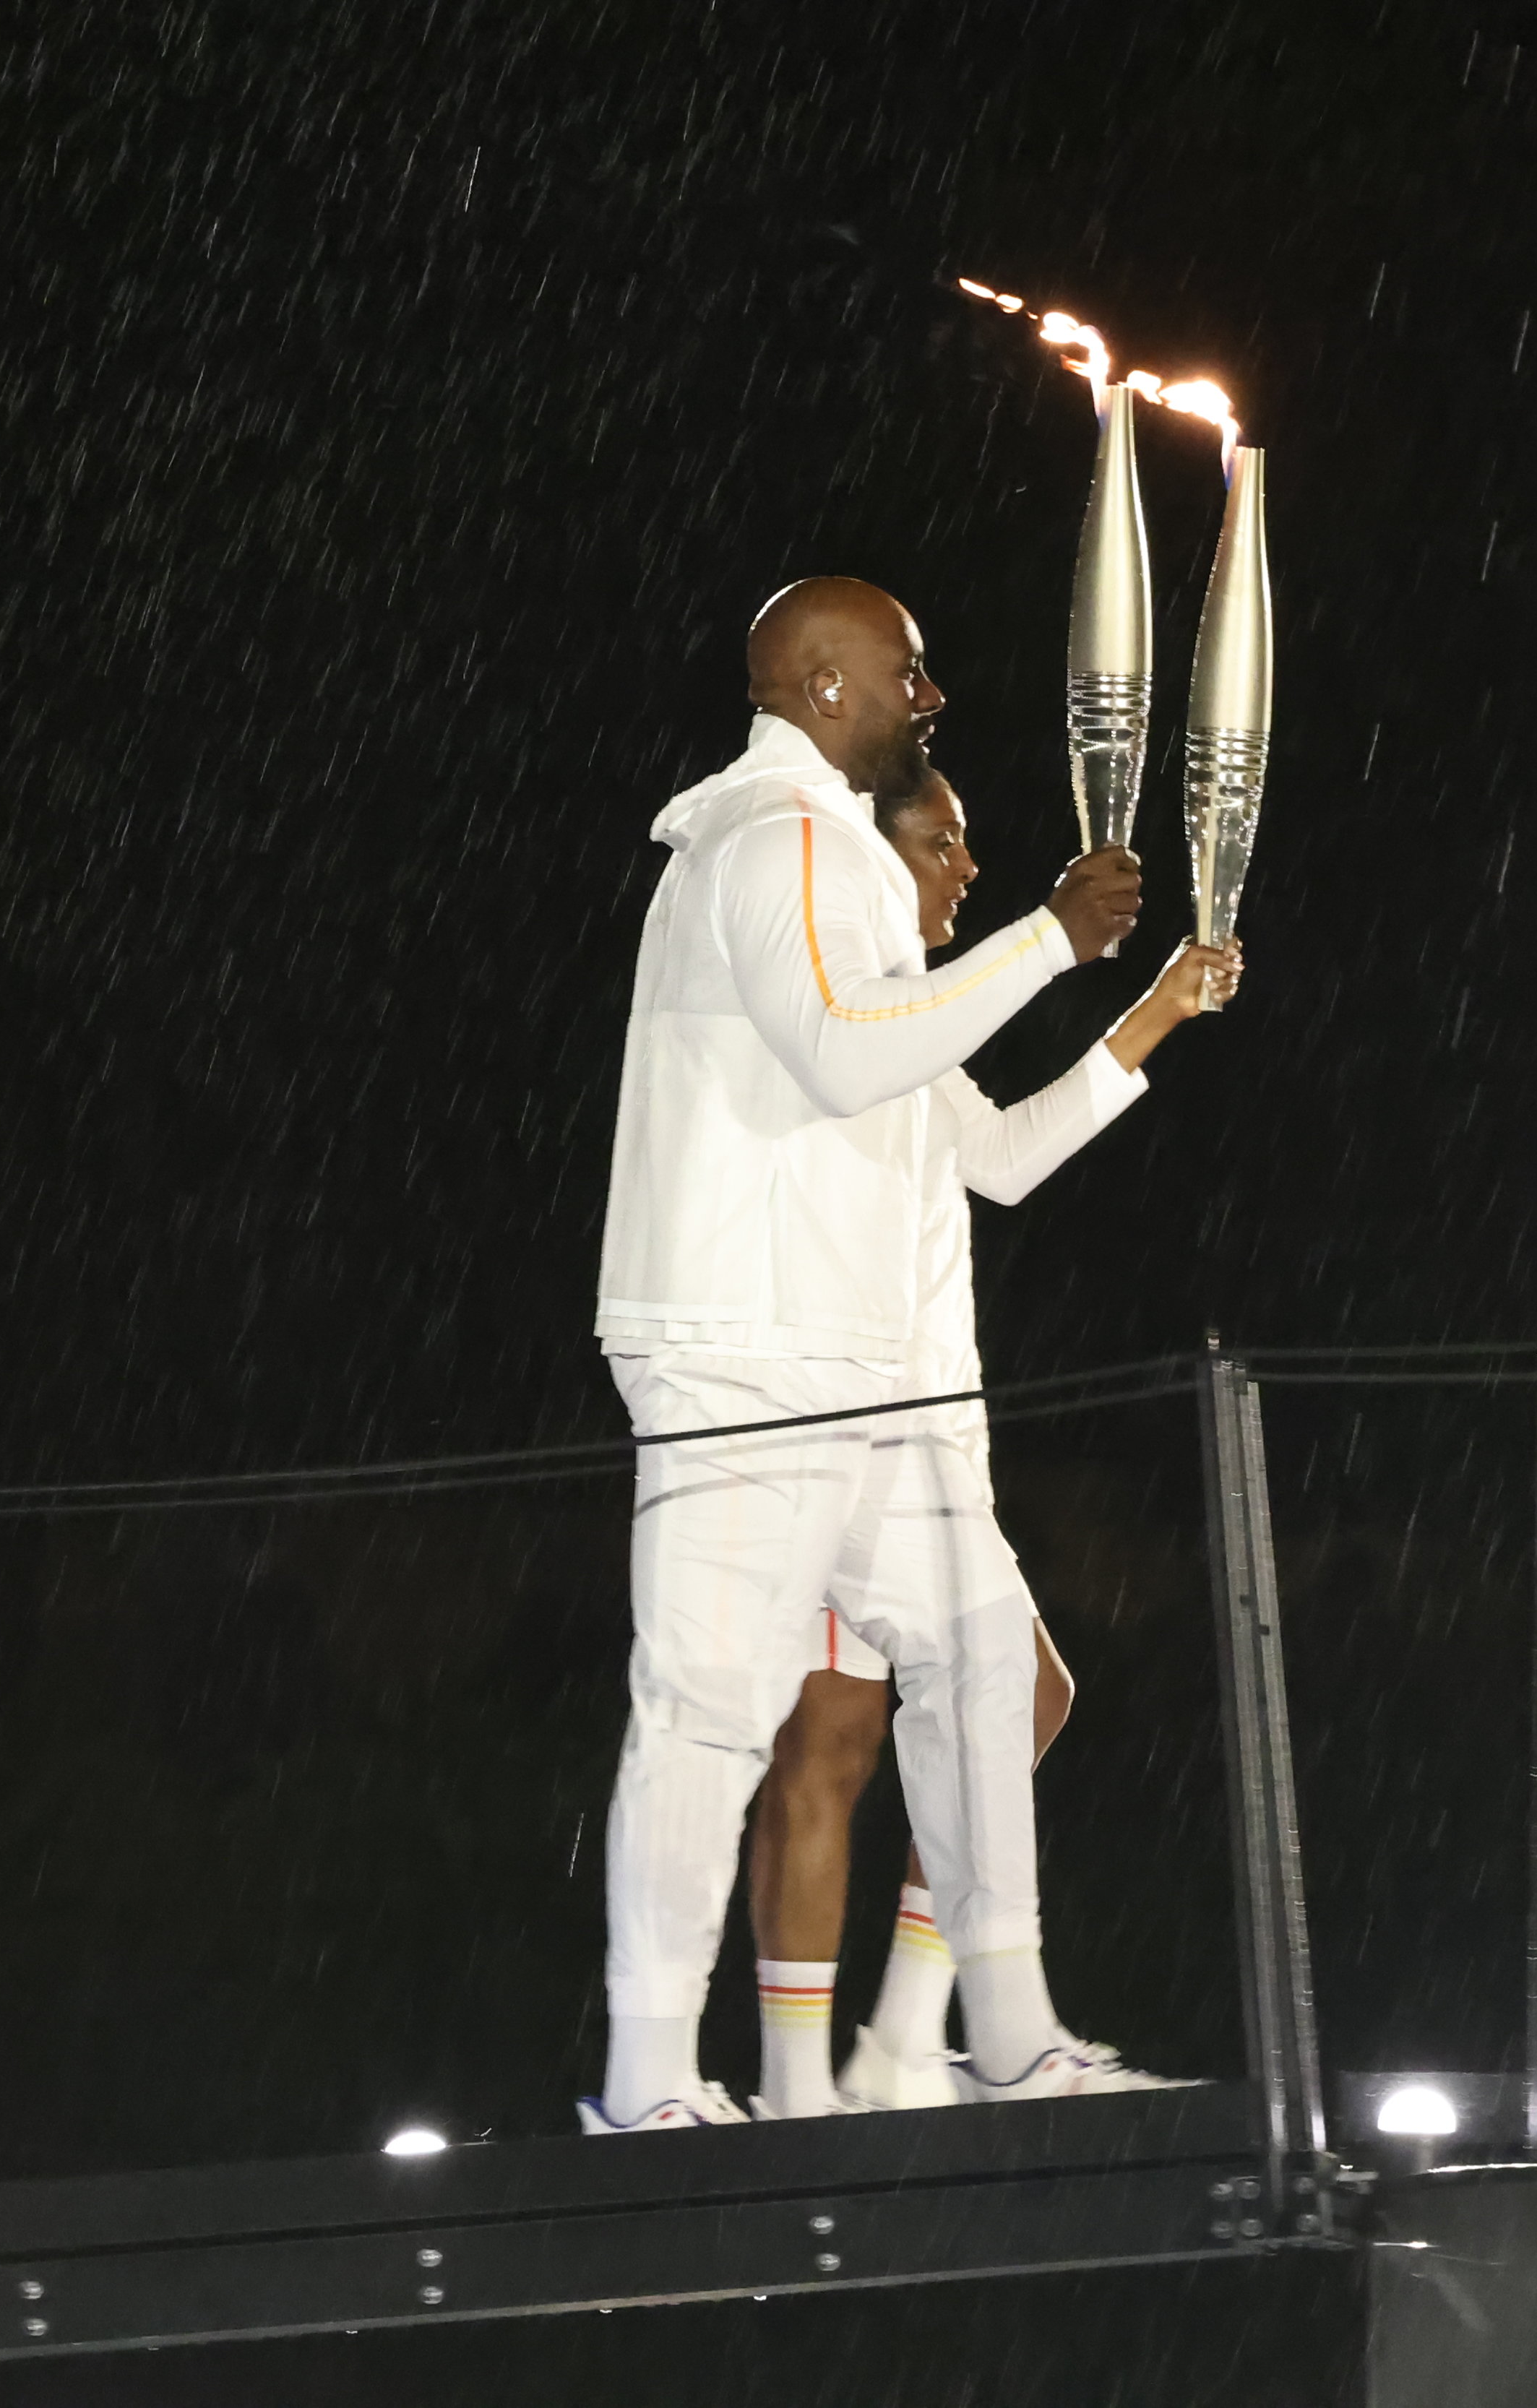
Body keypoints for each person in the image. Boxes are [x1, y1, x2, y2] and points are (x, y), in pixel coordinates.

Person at [583, 577, 1149, 2133]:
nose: (933, 692)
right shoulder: (780, 841)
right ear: (827, 688)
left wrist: (1115, 996)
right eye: (911, 667)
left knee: (980, 1660)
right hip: (744, 1351)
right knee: (706, 1707)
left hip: (856, 1363)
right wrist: (1048, 937)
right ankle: (646, 2079)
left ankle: (1009, 2027)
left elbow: (953, 1115)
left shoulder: (830, 849)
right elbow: (846, 1054)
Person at [740, 771, 1238, 2117]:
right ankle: (803, 2084)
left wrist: (1158, 1012)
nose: (966, 863)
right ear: (864, 859)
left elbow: (1008, 1157)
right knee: (834, 1742)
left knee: (1015, 1697)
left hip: (930, 1445)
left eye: (968, 840)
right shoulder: (820, 1015)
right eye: (941, 842)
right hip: (838, 1438)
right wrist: (1055, 939)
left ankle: (901, 2045)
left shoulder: (910, 1036)